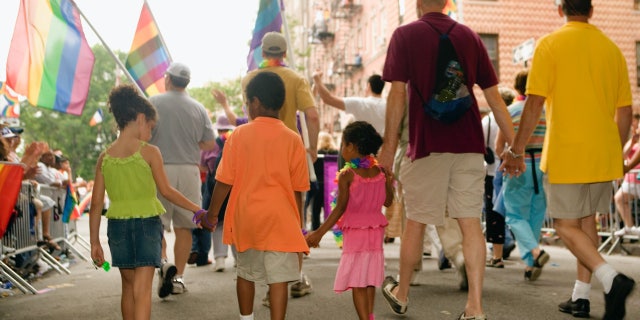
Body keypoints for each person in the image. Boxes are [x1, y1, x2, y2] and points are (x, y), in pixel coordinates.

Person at [377, 1, 516, 319]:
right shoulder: (471, 37)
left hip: (427, 145)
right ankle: (475, 308)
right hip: (469, 144)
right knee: (470, 224)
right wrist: (514, 148)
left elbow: (397, 95)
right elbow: (494, 99)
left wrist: (387, 146)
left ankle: (402, 293)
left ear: (417, 4)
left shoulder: (405, 35)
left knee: (416, 222)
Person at [500, 1, 635, 319]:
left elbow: (534, 103)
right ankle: (581, 296)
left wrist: (516, 150)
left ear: (560, 10)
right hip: (603, 152)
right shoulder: (612, 49)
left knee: (563, 224)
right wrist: (615, 153)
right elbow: (626, 112)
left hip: (568, 151)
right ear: (591, 10)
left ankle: (611, 279)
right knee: (586, 221)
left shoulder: (550, 44)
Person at [89, 84, 203, 320]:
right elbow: (167, 191)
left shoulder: (105, 158)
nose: (151, 134)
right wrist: (197, 209)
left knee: (128, 289)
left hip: (117, 228)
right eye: (151, 127)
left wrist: (94, 244)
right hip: (146, 226)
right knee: (143, 291)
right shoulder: (150, 152)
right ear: (140, 119)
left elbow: (96, 204)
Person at [202, 71, 310, 320]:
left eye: (248, 102)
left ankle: (246, 318)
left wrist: (212, 214)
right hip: (282, 222)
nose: (247, 107)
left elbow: (224, 181)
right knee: (279, 280)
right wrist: (299, 225)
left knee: (245, 273)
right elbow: (298, 190)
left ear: (257, 102)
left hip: (247, 220)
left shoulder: (239, 136)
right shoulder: (294, 140)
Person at [241, 31, 319, 298]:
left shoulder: (250, 78)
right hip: (290, 151)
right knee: (293, 217)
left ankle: (261, 275)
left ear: (263, 53)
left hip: (256, 155)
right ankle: (293, 277)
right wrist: (313, 148)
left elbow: (248, 115)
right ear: (284, 53)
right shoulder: (296, 79)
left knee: (260, 212)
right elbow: (312, 115)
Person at [306, 121, 393, 320]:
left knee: (358, 282)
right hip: (375, 234)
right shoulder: (380, 172)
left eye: (343, 144)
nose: (341, 149)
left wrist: (318, 233)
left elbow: (340, 208)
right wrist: (389, 183)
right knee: (369, 279)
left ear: (352, 147)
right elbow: (388, 202)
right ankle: (370, 316)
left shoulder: (348, 175)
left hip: (356, 234)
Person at [149, 62, 216, 297]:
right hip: (189, 170)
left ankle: (165, 262)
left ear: (168, 79)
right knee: (185, 226)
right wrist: (189, 142)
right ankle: (178, 278)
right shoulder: (198, 108)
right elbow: (210, 143)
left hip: (160, 167)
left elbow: (143, 135)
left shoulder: (154, 103)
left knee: (157, 223)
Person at [495, 70, 549, 280]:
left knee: (515, 215)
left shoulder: (511, 111)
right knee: (535, 215)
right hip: (541, 166)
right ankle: (529, 266)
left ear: (517, 87)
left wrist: (505, 159)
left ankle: (536, 253)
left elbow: (499, 146)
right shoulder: (544, 111)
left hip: (518, 166)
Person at [312, 71, 386, 135]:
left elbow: (328, 99)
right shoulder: (388, 106)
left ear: (368, 86)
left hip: (362, 149)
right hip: (383, 149)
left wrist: (317, 79)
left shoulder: (360, 103)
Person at [613, 113, 640, 237]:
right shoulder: (633, 141)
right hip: (631, 179)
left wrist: (627, 167)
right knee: (619, 198)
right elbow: (623, 154)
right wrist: (632, 141)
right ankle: (630, 227)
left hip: (636, 177)